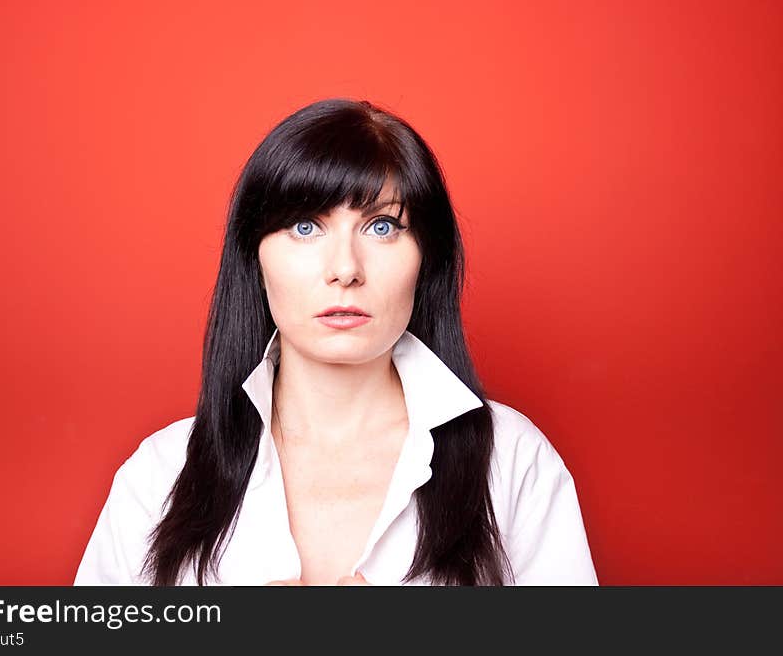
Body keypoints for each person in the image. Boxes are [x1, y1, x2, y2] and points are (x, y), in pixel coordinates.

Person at [73, 98, 598, 586]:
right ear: (254, 258)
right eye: (305, 227)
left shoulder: (509, 460)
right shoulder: (163, 471)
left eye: (383, 227)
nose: (345, 269)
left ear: (427, 258)